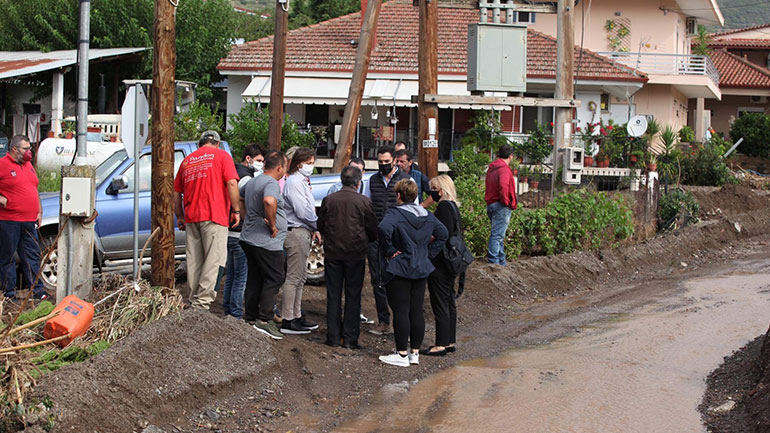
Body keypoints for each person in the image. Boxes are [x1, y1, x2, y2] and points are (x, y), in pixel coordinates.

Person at [377, 179, 448, 367]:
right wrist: (428, 254)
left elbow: (383, 228)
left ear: (399, 196)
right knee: (416, 310)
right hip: (421, 267)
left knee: (401, 310)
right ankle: (414, 353)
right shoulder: (426, 214)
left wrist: (390, 251)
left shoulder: (395, 213)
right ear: (416, 195)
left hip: (400, 266)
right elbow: (443, 233)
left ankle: (401, 353)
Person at [174, 131, 240, 310]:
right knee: (214, 259)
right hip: (214, 215)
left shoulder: (188, 160)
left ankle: (193, 299)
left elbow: (175, 192)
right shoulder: (222, 156)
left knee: (194, 260)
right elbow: (232, 183)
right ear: (217, 143)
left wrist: (180, 215)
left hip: (192, 217)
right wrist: (236, 210)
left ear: (199, 144)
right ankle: (202, 303)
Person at [317, 165, 377, 349]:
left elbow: (321, 224)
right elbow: (372, 229)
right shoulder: (364, 202)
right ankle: (350, 338)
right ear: (358, 183)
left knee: (333, 294)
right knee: (353, 295)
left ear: (341, 181)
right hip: (355, 253)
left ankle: (333, 336)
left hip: (333, 252)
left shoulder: (329, 199)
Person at [363, 146, 412, 335]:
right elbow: (367, 203)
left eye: (386, 162)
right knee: (377, 278)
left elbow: (411, 206)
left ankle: (402, 320)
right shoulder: (373, 180)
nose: (383, 165)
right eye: (380, 162)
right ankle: (383, 320)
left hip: (397, 235)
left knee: (398, 277)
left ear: (394, 160)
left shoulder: (405, 179)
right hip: (376, 235)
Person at [240, 151, 288, 340]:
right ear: (279, 168)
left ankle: (251, 315)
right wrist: (273, 224)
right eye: (285, 167)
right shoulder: (270, 183)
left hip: (249, 237)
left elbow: (240, 197)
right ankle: (264, 319)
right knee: (275, 276)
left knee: (256, 277)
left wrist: (247, 218)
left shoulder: (253, 181)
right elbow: (269, 201)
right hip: (267, 241)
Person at [0, 135, 48, 301]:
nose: (30, 152)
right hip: (9, 221)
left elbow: (34, 188)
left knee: (32, 255)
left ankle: (37, 291)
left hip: (29, 220)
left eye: (30, 148)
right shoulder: (2, 165)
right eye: (26, 149)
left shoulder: (28, 166)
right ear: (14, 149)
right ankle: (9, 293)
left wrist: (39, 210)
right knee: (9, 256)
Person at [280, 148, 321, 335]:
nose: (311, 167)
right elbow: (302, 210)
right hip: (296, 230)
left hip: (303, 230)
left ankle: (295, 314)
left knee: (301, 276)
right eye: (309, 163)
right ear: (299, 163)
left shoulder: (300, 181)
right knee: (294, 276)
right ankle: (288, 318)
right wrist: (316, 224)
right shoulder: (295, 182)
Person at [222, 144, 264, 319]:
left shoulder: (233, 172)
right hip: (241, 233)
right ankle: (236, 315)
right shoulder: (246, 178)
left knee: (231, 275)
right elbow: (252, 198)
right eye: (259, 160)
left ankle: (228, 311)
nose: (261, 164)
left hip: (229, 232)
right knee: (240, 277)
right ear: (249, 159)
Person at [423, 175, 461, 356]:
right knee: (448, 300)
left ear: (440, 190)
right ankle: (449, 340)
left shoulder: (444, 208)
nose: (431, 193)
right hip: (451, 261)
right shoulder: (453, 206)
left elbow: (440, 234)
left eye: (433, 189)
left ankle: (440, 344)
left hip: (440, 261)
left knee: (440, 302)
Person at [484, 144, 517, 266]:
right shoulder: (503, 169)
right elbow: (503, 186)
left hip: (491, 203)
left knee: (498, 234)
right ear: (511, 156)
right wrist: (506, 202)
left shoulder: (492, 168)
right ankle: (494, 262)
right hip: (500, 205)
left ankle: (501, 261)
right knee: (497, 235)